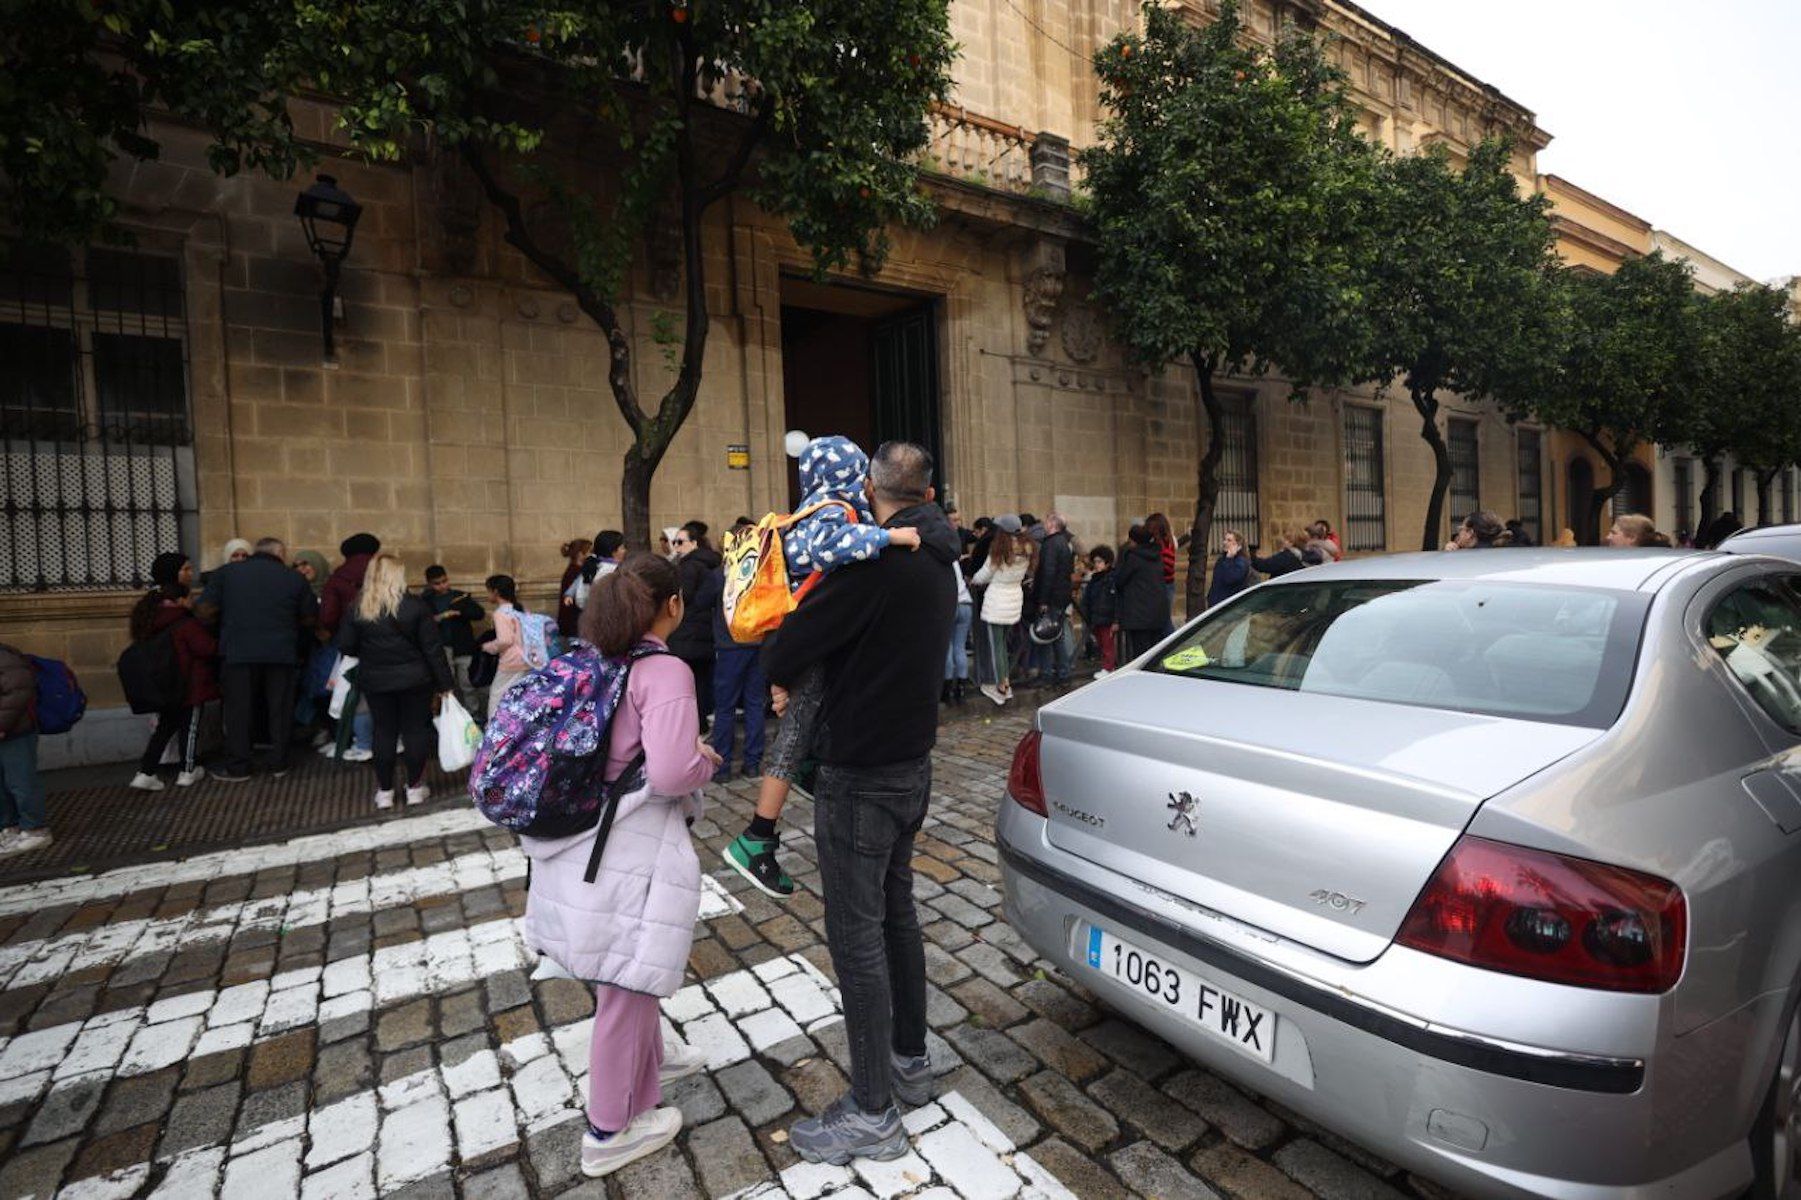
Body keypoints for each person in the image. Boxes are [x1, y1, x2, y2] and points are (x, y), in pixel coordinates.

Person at [760, 442, 957, 1165]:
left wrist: (785, 675)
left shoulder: (874, 565)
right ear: (927, 494)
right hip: (911, 763)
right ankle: (909, 1061)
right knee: (896, 914)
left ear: (870, 490)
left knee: (856, 935)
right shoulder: (939, 558)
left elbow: (789, 646)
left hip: (860, 772)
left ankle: (872, 1111)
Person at [519, 552, 718, 1179]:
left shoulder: (587, 659)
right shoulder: (665, 671)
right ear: (673, 604)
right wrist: (706, 758)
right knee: (627, 981)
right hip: (630, 844)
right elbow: (673, 771)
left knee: (623, 968)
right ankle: (610, 1128)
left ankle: (651, 1063)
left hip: (580, 837)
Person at [722, 437, 923, 898]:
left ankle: (807, 769)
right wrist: (889, 537)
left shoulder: (807, 511)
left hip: (793, 638)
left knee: (804, 723)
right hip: (805, 641)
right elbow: (830, 548)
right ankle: (756, 838)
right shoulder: (832, 511)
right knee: (793, 733)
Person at [335, 554, 455, 810]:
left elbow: (346, 645)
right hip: (415, 679)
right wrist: (445, 684)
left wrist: (370, 652)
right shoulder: (416, 606)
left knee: (383, 732)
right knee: (415, 731)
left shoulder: (358, 607)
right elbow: (433, 649)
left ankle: (385, 791)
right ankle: (414, 788)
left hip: (376, 680)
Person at [197, 537, 318, 781]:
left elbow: (205, 611)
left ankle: (239, 766)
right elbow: (309, 618)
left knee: (238, 711)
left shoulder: (226, 574)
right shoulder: (294, 578)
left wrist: (222, 630)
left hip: (238, 651)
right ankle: (279, 763)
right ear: (280, 553)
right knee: (280, 709)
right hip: (281, 652)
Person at [128, 552, 219, 791]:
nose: (191, 573)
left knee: (165, 727)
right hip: (189, 682)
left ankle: (146, 771)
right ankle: (188, 770)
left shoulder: (148, 613)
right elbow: (206, 648)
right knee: (190, 726)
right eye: (185, 569)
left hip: (164, 683)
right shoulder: (183, 620)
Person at [696, 558, 767, 782]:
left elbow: (701, 600)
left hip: (730, 646)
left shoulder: (721, 574)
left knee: (725, 707)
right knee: (755, 704)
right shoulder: (761, 570)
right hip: (758, 643)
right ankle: (752, 763)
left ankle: (723, 766)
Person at [972, 515, 1032, 706]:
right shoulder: (1027, 549)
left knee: (996, 645)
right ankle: (1005, 682)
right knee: (1002, 644)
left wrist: (973, 580)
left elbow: (984, 574)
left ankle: (1001, 685)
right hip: (1014, 598)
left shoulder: (999, 549)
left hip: (997, 600)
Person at [669, 522, 721, 732]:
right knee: (700, 681)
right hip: (704, 632)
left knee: (689, 683)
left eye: (680, 542)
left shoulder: (689, 566)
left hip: (688, 634)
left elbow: (685, 596)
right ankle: (702, 722)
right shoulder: (710, 564)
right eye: (674, 542)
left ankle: (696, 726)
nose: (676, 546)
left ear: (694, 543)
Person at [0, 641, 51, 857]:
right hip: (8, 729)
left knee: (21, 781)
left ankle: (35, 830)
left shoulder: (4, 657)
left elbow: (19, 691)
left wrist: (1, 725)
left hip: (15, 731)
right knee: (4, 783)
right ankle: (10, 827)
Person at [422, 565, 486, 718]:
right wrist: (439, 617)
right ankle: (451, 716)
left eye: (444, 581)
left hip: (463, 646)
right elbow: (421, 622)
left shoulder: (459, 596)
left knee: (467, 683)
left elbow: (479, 613)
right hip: (441, 647)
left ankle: (473, 714)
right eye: (437, 583)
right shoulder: (425, 600)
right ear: (430, 584)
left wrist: (460, 612)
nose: (442, 586)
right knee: (446, 685)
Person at [1028, 512, 1076, 686]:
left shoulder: (1051, 544)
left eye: (1047, 521)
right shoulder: (1063, 542)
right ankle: (1064, 673)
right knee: (1057, 636)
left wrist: (1043, 600)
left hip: (1052, 597)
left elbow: (1048, 573)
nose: (1044, 524)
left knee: (1046, 636)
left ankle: (1047, 674)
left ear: (1053, 524)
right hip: (1061, 595)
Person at [1115, 524, 1172, 665]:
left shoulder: (1132, 557)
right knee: (1154, 652)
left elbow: (1120, 580)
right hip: (1157, 612)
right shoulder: (1156, 555)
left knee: (1140, 654)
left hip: (1138, 614)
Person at [482, 574, 531, 713]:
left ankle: (495, 725)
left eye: (488, 591)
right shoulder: (522, 609)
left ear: (495, 592)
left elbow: (505, 640)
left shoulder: (500, 613)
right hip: (527, 659)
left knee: (497, 698)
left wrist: (488, 647)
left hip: (511, 661)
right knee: (520, 698)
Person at [319, 533, 381, 639]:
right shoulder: (385, 573)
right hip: (383, 638)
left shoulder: (337, 578)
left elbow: (328, 617)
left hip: (348, 637)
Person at [1081, 545, 1118, 677]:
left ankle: (1108, 667)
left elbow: (1116, 600)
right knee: (1102, 644)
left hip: (1107, 617)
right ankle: (1107, 666)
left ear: (1107, 563)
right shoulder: (1095, 579)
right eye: (1095, 562)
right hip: (1097, 617)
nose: (1097, 565)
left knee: (1107, 644)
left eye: (1100, 562)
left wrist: (1116, 620)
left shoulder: (1112, 578)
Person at [944, 559, 973, 704]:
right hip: (965, 602)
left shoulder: (938, 560)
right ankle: (961, 689)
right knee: (960, 647)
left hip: (948, 604)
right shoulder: (954, 561)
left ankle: (947, 689)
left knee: (946, 646)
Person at [1144, 512, 1178, 631]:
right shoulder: (1168, 542)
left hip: (1164, 585)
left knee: (1164, 622)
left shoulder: (1162, 545)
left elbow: (1166, 567)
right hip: (1166, 585)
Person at [1208, 529, 1255, 608]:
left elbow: (1230, 578)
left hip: (1230, 607)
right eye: (1225, 539)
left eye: (1229, 540)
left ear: (1238, 546)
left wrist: (1229, 558)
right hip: (1216, 605)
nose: (1225, 542)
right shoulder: (1221, 560)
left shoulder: (1241, 562)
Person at [558, 538, 593, 639]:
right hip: (575, 622)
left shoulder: (576, 570)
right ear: (580, 554)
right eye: (590, 551)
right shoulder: (575, 572)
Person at [1447, 510, 1512, 550]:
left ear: (1469, 533)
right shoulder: (1503, 552)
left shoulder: (1463, 560)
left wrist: (1448, 556)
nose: (1459, 533)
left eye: (1461, 529)